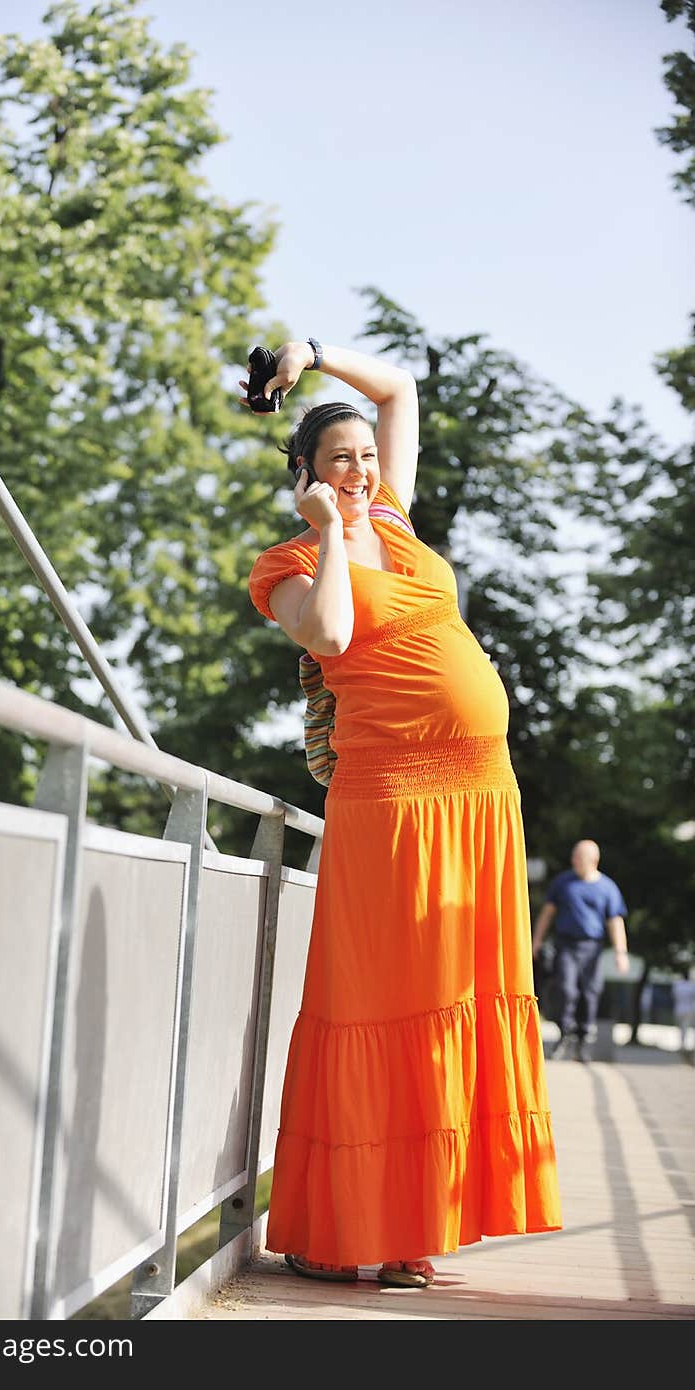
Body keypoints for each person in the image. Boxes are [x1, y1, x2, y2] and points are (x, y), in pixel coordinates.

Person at [244, 338, 562, 1287]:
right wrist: (327, 531)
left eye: (367, 457)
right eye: (339, 459)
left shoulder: (397, 518)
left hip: (479, 798)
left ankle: (414, 1228)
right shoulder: (290, 562)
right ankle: (343, 1228)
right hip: (391, 807)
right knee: (379, 1006)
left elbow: (400, 388)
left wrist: (307, 354)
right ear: (304, 473)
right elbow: (334, 634)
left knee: (451, 1002)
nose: (360, 469)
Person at [531, 840, 629, 1063]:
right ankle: (565, 1032)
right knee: (565, 989)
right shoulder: (563, 883)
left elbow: (615, 921)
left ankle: (584, 1039)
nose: (574, 861)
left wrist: (620, 952)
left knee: (590, 992)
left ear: (593, 861)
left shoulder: (607, 888)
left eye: (579, 858)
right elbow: (548, 913)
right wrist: (537, 940)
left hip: (592, 947)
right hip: (565, 944)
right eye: (574, 856)